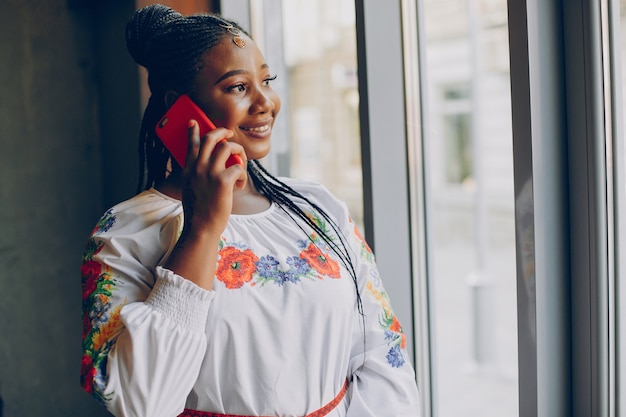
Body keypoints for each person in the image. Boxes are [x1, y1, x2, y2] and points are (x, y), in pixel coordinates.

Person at [80, 4, 420, 417]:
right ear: (180, 107)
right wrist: (202, 228)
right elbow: (139, 402)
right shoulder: (127, 232)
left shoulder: (317, 207)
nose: (266, 102)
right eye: (239, 87)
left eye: (267, 80)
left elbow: (381, 351)